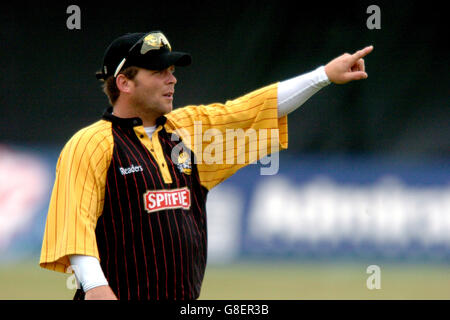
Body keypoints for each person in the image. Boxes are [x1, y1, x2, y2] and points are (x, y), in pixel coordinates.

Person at [39, 30, 373, 300]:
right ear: (124, 82)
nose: (172, 80)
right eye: (159, 72)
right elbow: (75, 225)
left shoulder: (187, 129)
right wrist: (96, 288)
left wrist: (323, 76)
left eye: (172, 71)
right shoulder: (92, 143)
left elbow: (251, 110)